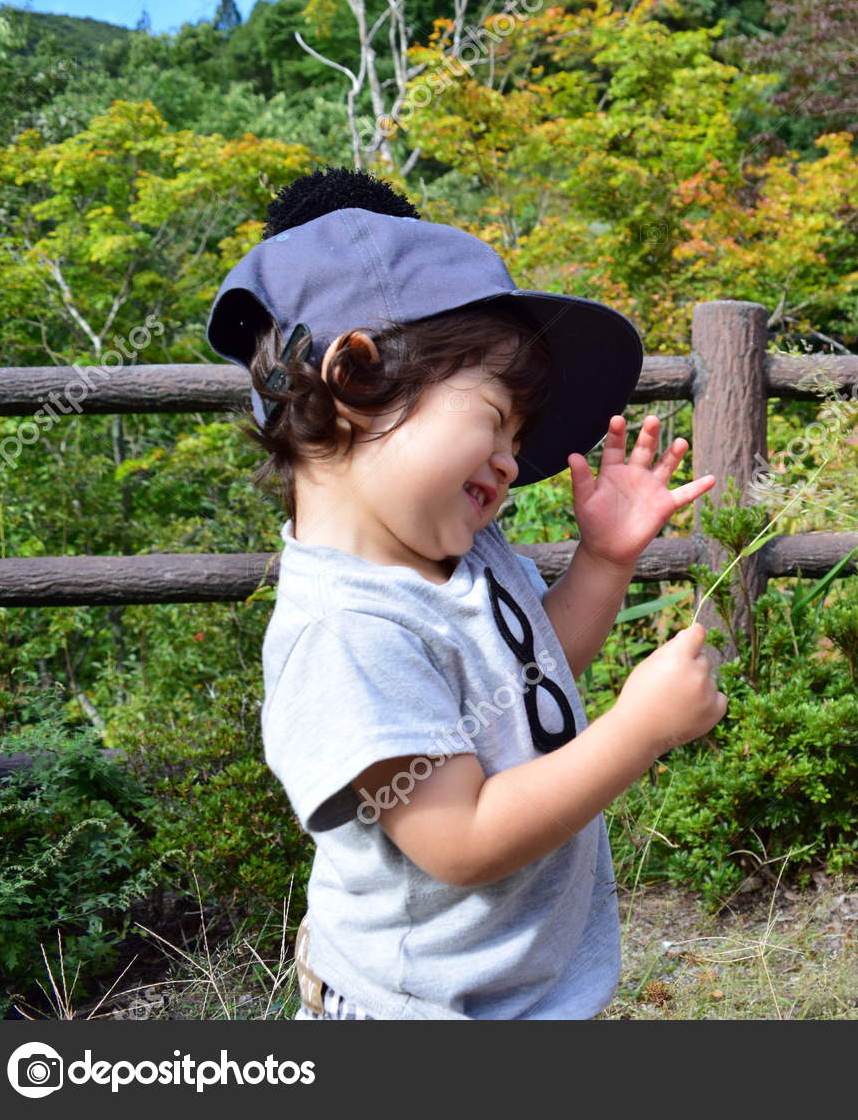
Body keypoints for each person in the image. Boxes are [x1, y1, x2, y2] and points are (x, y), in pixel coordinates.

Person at [205, 168, 726, 1019]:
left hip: (513, 994)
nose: (513, 463)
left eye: (519, 438)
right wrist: (640, 730)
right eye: (494, 421)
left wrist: (602, 562)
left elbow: (530, 671)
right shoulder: (347, 630)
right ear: (356, 374)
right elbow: (461, 838)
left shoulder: (463, 552)